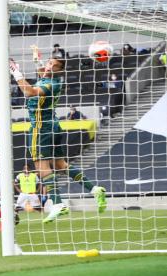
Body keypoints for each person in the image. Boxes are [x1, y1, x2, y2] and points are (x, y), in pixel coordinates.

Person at [9, 46, 107, 223]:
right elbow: (41, 72)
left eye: (52, 65)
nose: (47, 66)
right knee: (60, 164)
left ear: (58, 71)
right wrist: (37, 59)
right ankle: (94, 190)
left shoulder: (50, 84)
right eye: (48, 62)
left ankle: (57, 204)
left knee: (41, 166)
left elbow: (29, 91)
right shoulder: (47, 79)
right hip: (53, 126)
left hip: (41, 127)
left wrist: (15, 72)